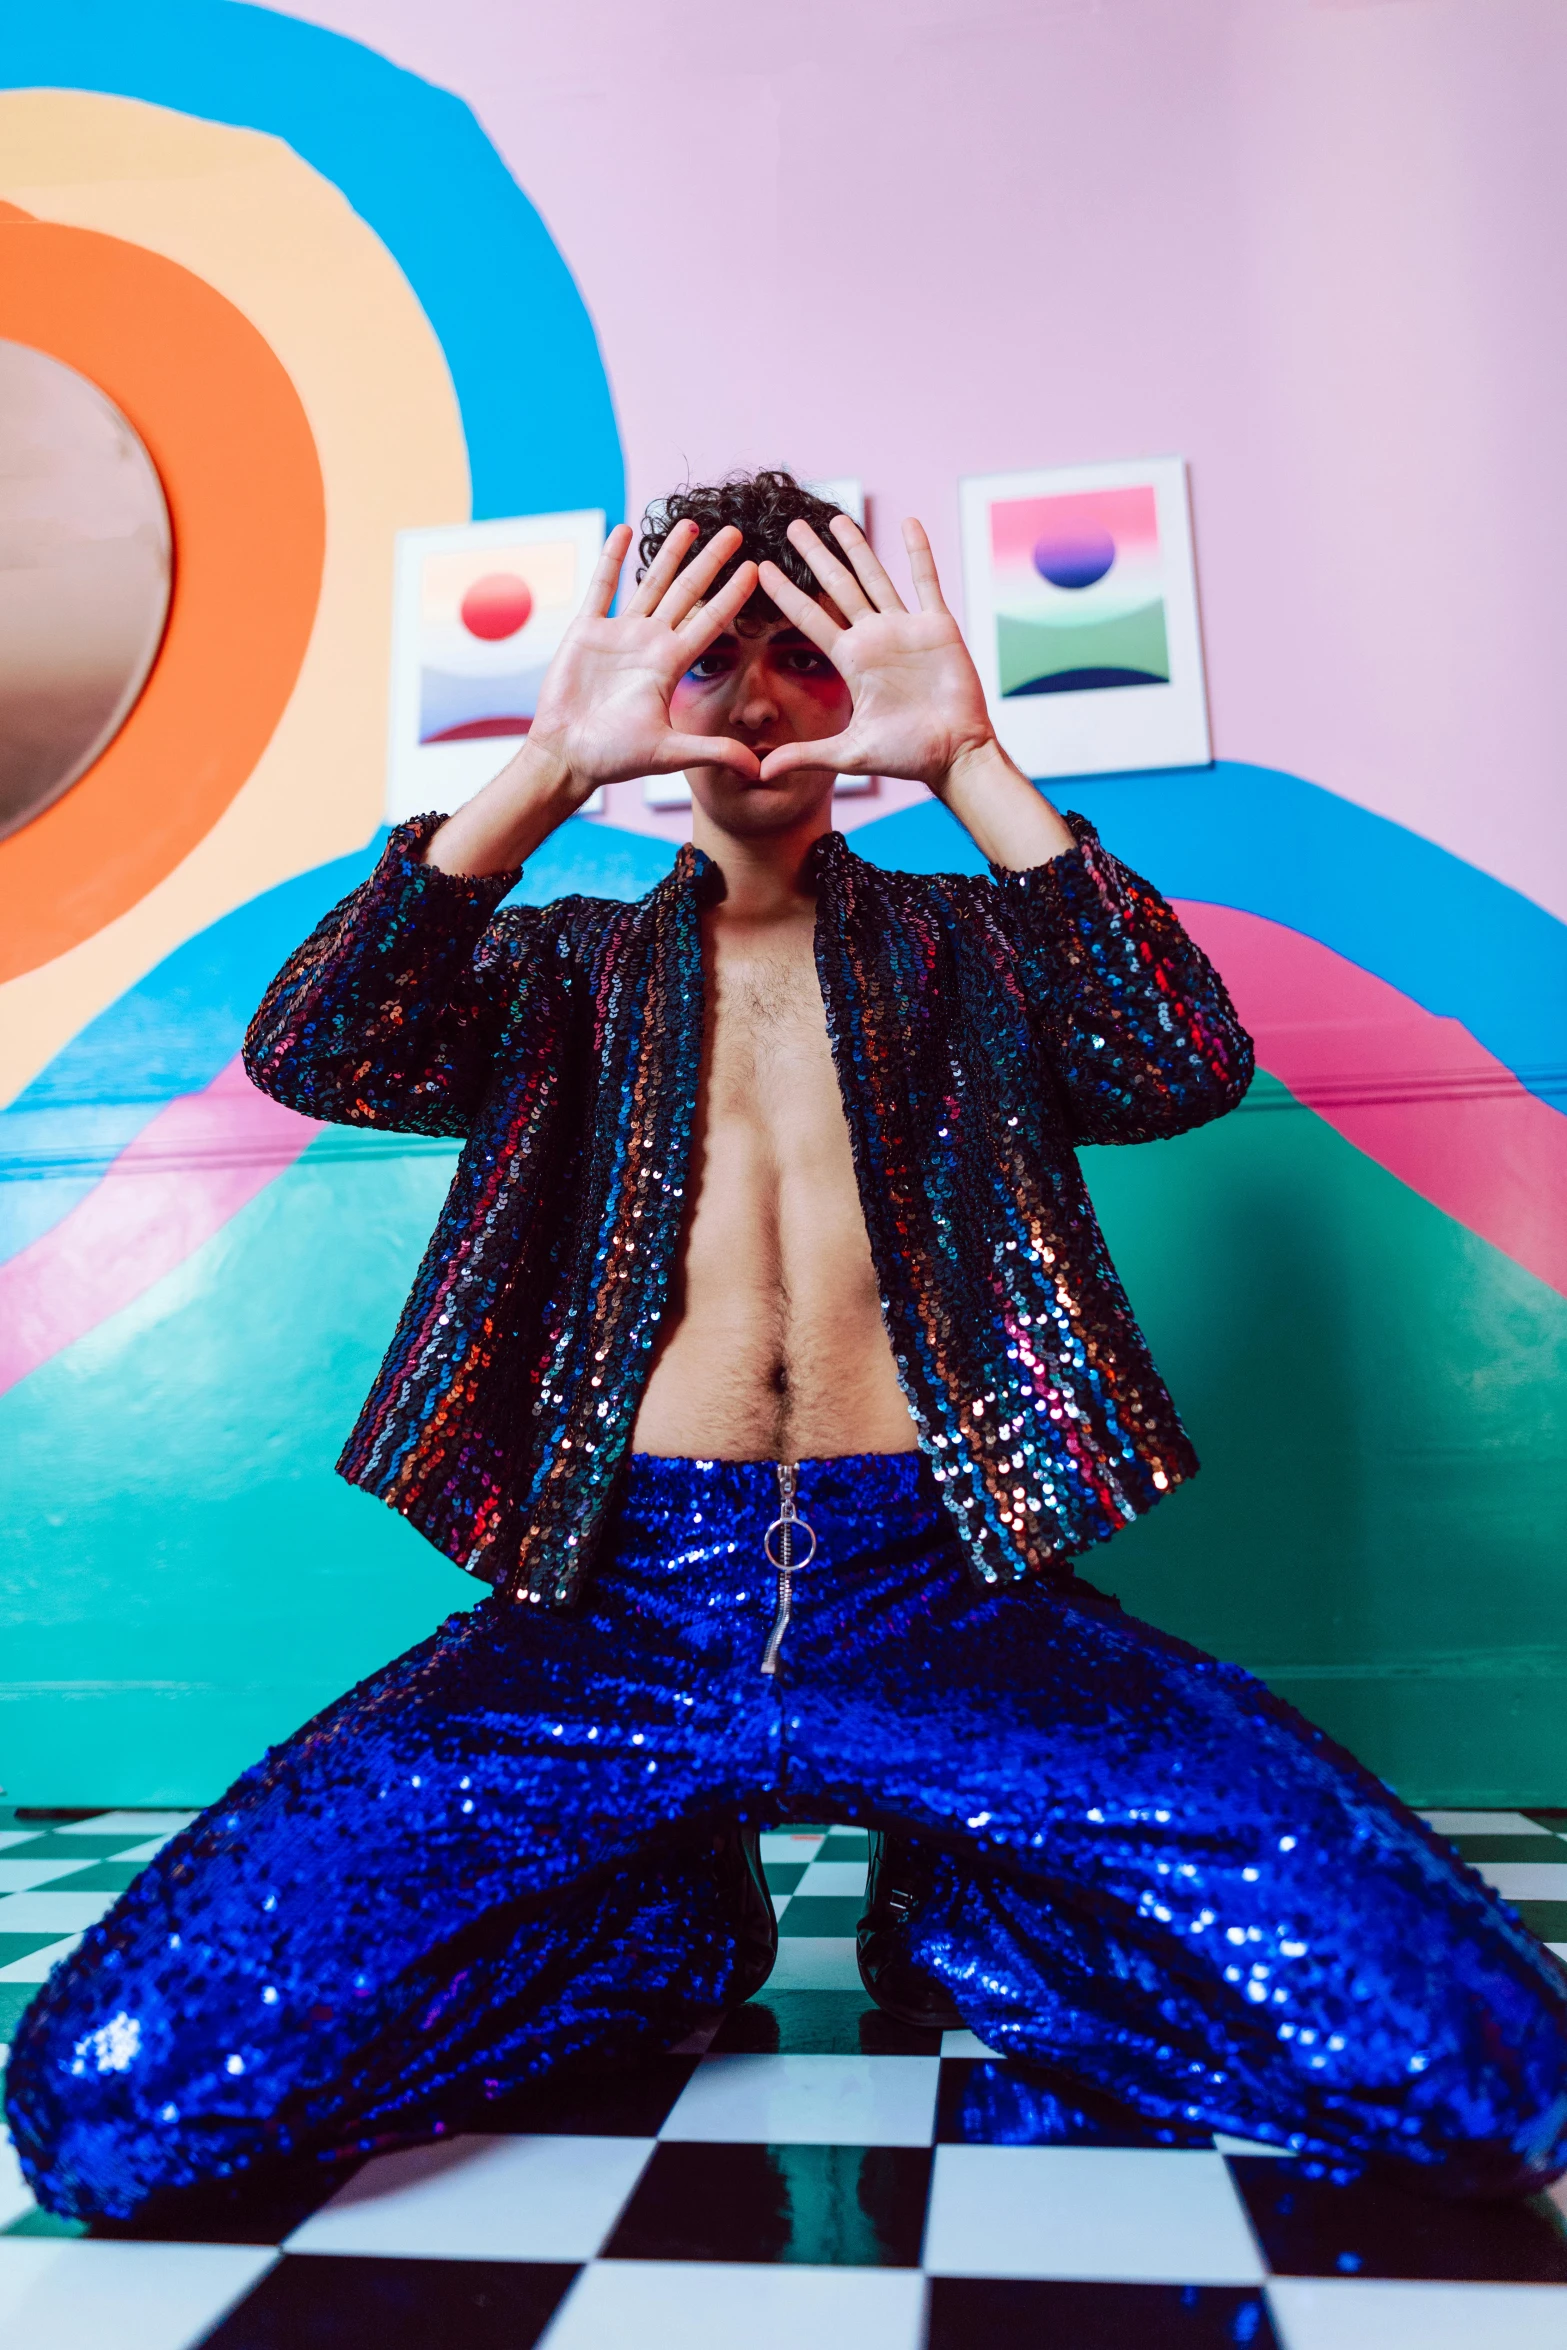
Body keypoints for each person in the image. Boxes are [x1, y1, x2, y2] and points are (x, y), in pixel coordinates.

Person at [8, 472, 1565, 2223]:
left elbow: (1178, 1061)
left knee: (1480, 2078)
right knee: (110, 2109)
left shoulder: (972, 943)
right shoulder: (556, 969)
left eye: (798, 656)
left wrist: (975, 761)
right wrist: (541, 767)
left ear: (856, 690)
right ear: (646, 694)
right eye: (708, 660)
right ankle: (659, 1927)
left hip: (950, 1603)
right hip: (606, 1618)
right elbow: (316, 1044)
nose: (752, 700)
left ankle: (962, 1914)